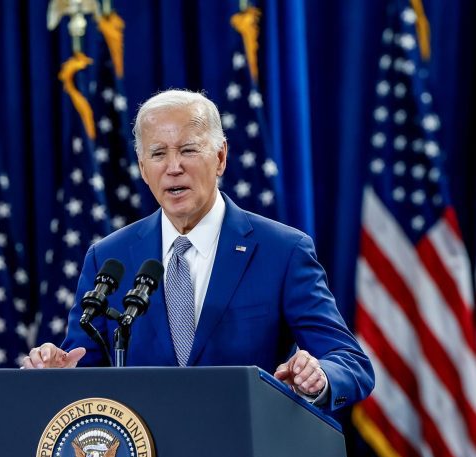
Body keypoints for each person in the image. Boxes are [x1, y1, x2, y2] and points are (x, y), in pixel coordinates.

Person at [24, 89, 374, 411]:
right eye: (158, 154)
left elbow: (348, 360)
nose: (173, 167)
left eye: (188, 150)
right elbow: (84, 365)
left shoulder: (282, 251)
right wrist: (59, 375)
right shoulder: (109, 256)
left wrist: (320, 377)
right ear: (143, 169)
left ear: (220, 157)